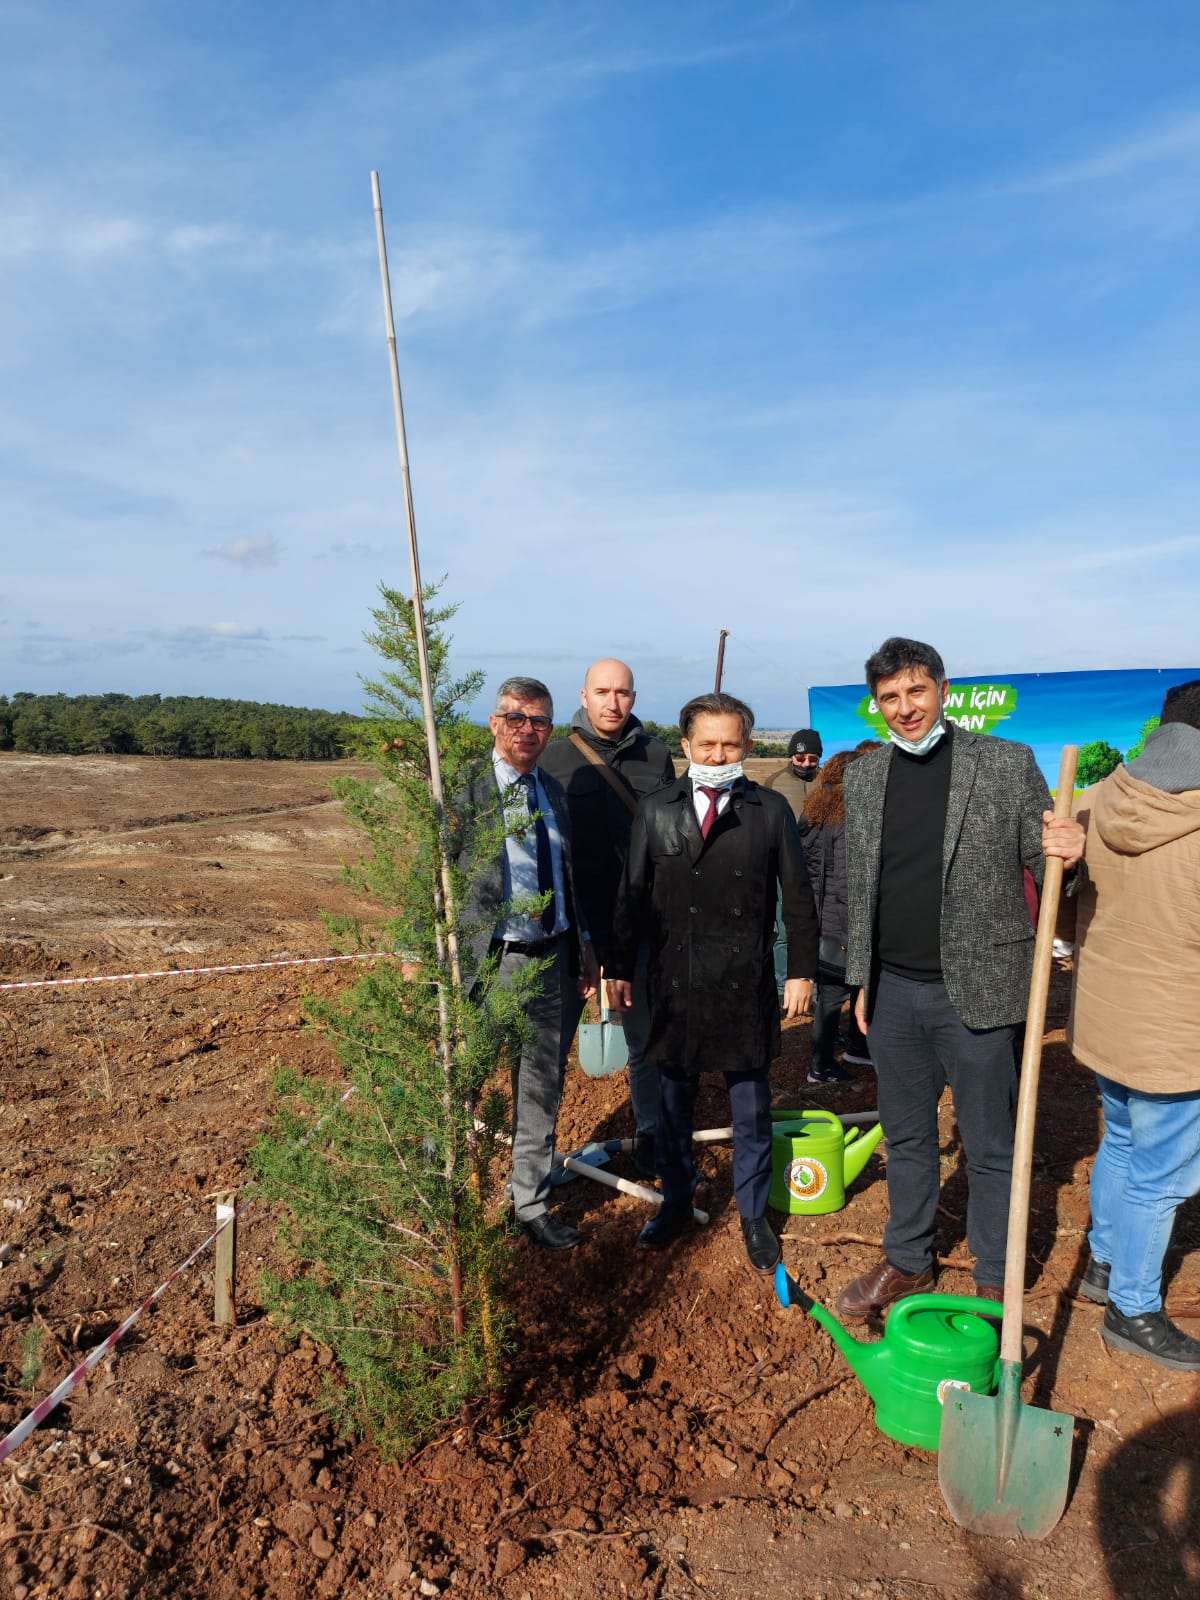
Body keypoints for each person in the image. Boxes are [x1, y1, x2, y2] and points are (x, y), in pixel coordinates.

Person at [835, 638, 1084, 1317]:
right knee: (908, 1134)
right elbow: (864, 887)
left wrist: (1071, 848)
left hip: (978, 988)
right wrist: (862, 979)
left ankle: (994, 1272)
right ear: (877, 705)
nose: (905, 708)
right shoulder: (866, 776)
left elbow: (1050, 860)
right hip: (892, 992)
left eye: (916, 691)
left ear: (941, 689)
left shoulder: (1003, 765)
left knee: (989, 1140)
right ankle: (908, 1260)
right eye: (889, 697)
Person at [608, 692, 818, 1272]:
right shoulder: (655, 810)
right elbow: (630, 898)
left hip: (743, 980)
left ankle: (753, 1215)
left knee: (749, 1106)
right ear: (687, 746)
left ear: (747, 747)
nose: (719, 753)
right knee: (672, 1099)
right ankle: (676, 1198)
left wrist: (799, 969)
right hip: (673, 981)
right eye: (707, 743)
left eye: (730, 743)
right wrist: (618, 969)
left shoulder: (770, 810)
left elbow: (798, 901)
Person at [1062, 678, 1200, 1369]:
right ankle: (1134, 1308)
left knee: (1121, 1141)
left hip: (1109, 1016)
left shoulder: (1103, 799)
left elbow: (1063, 900)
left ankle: (1106, 1265)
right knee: (1163, 1173)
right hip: (1177, 1029)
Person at [453, 677, 598, 1252]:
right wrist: (425, 960)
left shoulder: (553, 791)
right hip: (490, 966)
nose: (526, 730)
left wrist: (584, 948)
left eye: (538, 721)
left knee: (541, 1087)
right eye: (515, 718)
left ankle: (529, 1203)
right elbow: (428, 880)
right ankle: (446, 1207)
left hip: (554, 963)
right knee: (458, 1086)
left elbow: (566, 879)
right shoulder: (463, 794)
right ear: (494, 723)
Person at [539, 658, 676, 1174]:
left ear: (634, 698)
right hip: (570, 928)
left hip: (637, 925)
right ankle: (537, 1162)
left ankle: (650, 1138)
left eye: (622, 692)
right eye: (602, 691)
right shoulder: (552, 758)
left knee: (644, 1039)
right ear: (584, 696)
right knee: (549, 1054)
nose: (612, 702)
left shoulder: (656, 756)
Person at [800, 748, 875, 1085]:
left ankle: (849, 1049)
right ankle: (823, 1065)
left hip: (817, 915)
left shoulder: (814, 810)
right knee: (835, 996)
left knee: (832, 993)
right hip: (839, 919)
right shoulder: (846, 819)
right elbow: (846, 882)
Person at [765, 728, 824, 820]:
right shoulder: (773, 782)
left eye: (813, 759)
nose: (806, 764)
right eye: (800, 759)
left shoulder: (827, 780)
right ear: (791, 757)